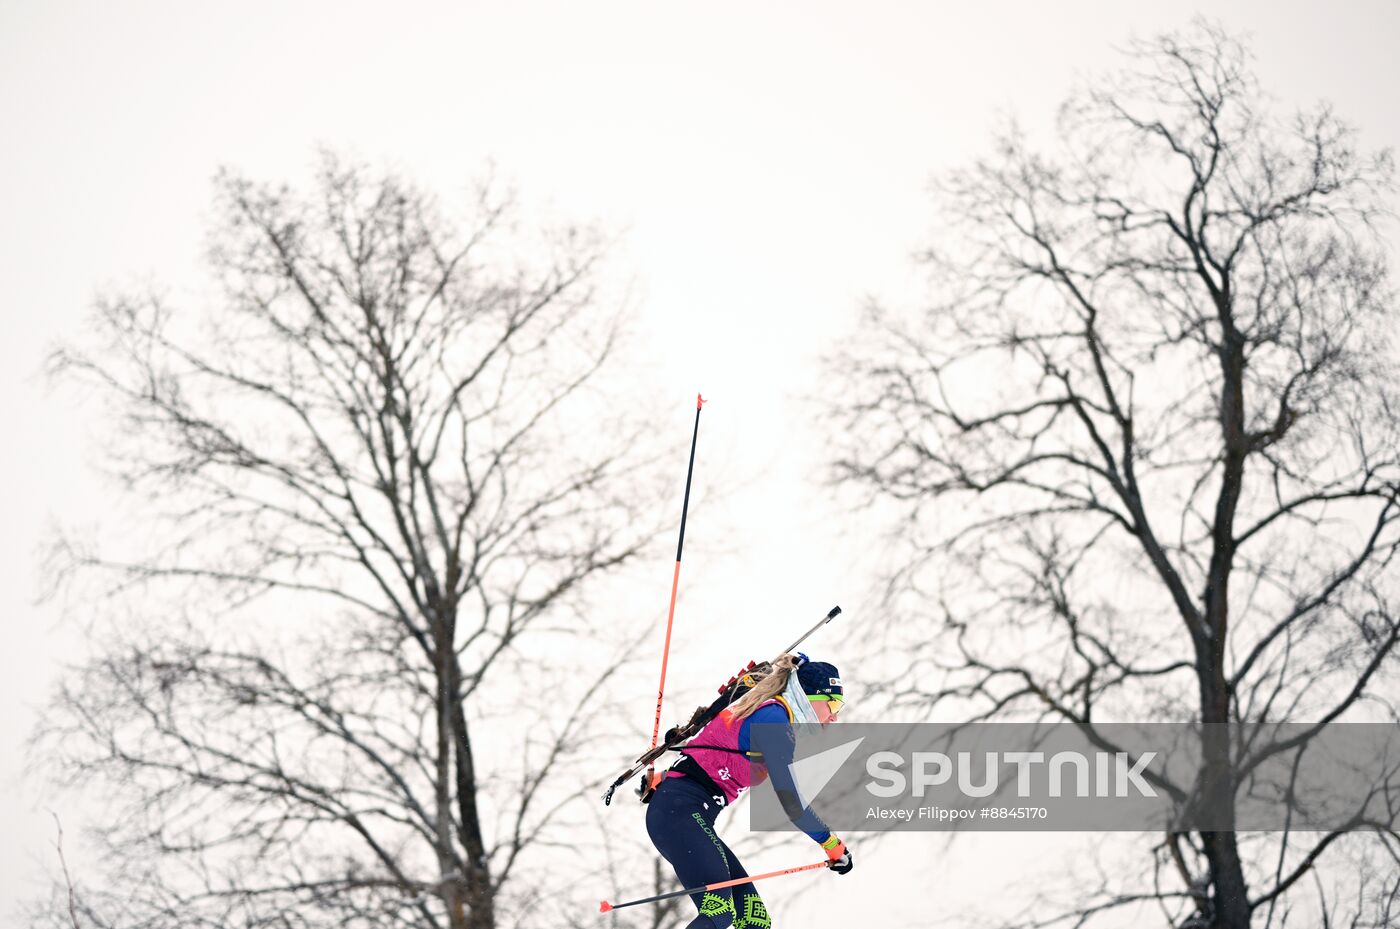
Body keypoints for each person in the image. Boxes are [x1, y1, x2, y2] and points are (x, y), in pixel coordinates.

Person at [645, 652, 852, 929]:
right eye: (833, 704)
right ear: (810, 697)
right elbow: (791, 803)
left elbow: (711, 750)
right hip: (679, 814)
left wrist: (667, 777)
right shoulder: (774, 721)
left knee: (755, 922)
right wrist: (830, 844)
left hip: (682, 811)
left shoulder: (769, 713)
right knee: (719, 912)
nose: (835, 717)